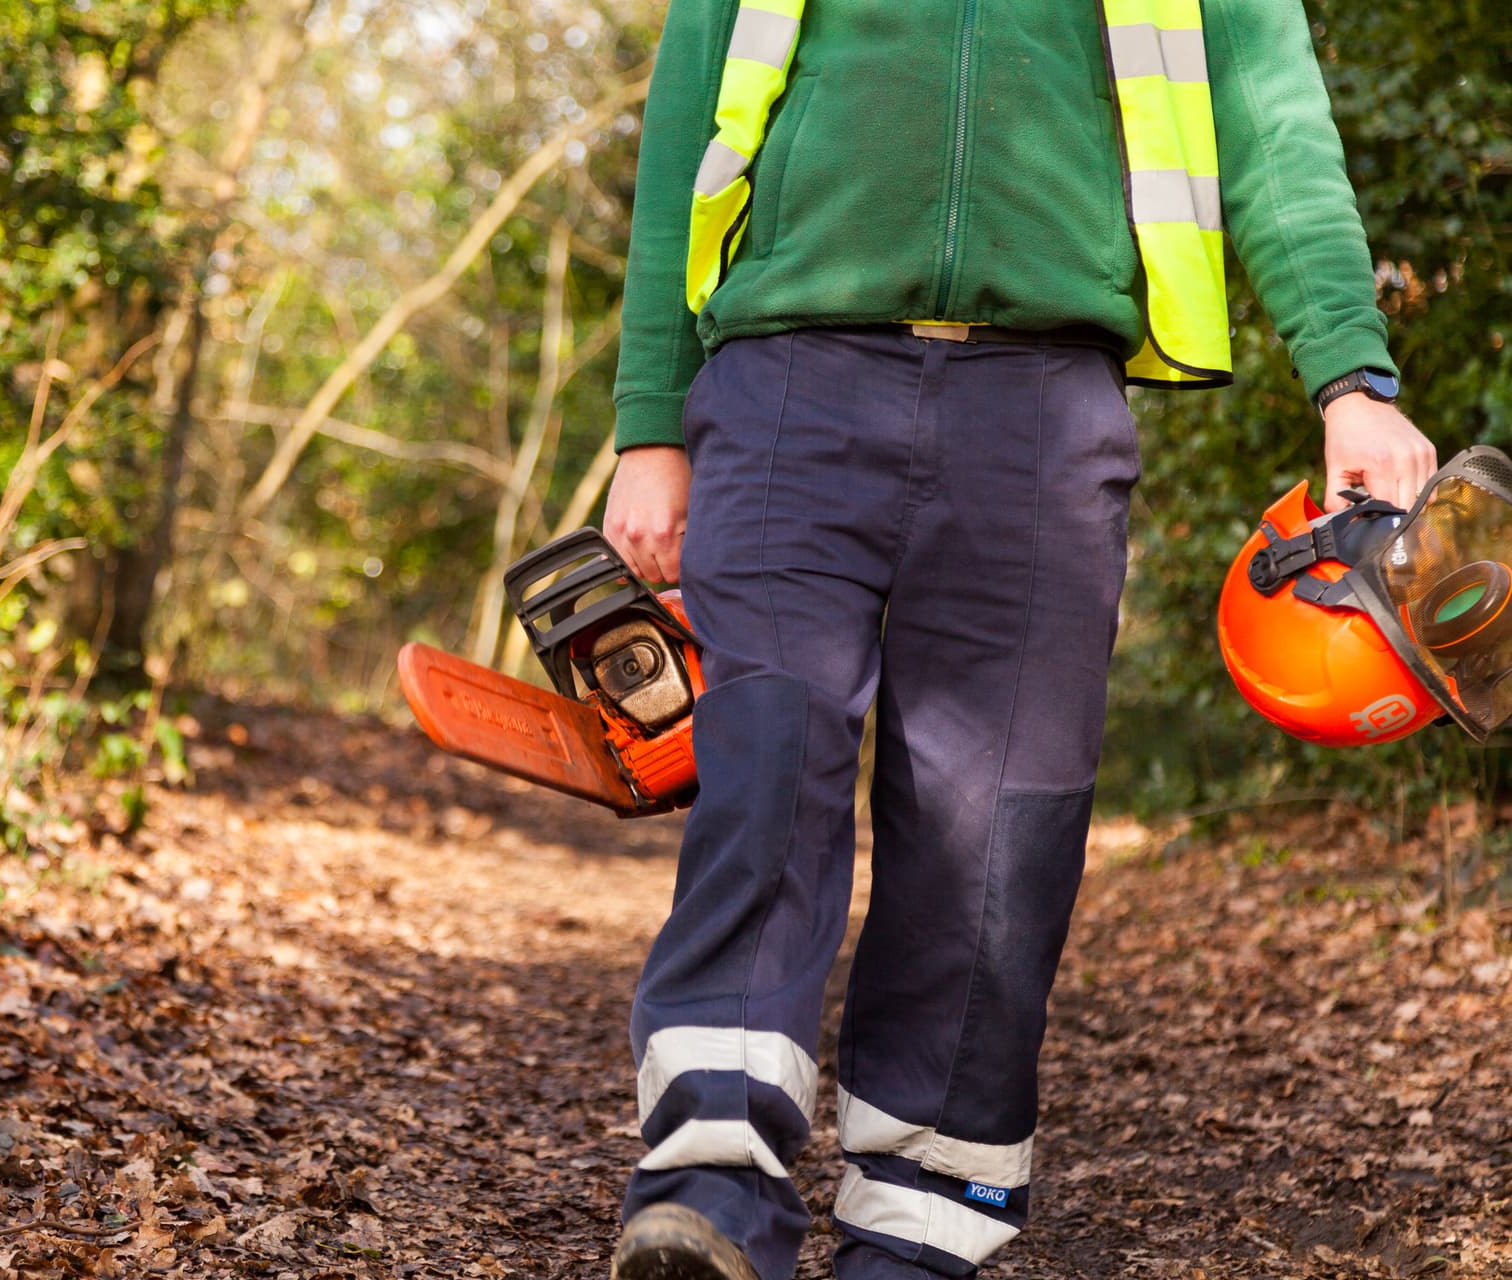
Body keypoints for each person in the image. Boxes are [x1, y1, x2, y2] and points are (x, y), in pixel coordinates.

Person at [597, 2, 1436, 1278]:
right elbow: (685, 124)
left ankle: (923, 1236)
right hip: (786, 382)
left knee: (997, 834)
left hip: (1043, 405)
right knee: (767, 763)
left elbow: (1270, 110)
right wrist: (651, 419)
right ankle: (711, 1191)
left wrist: (1349, 379)